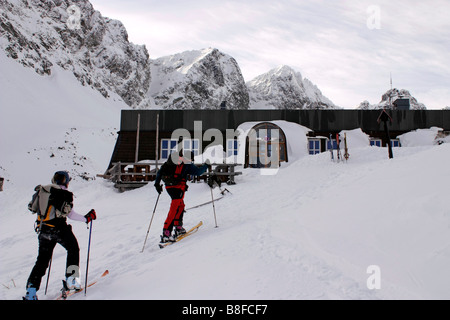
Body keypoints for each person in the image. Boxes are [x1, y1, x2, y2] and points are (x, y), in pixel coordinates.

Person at [23, 171, 97, 300]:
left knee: (42, 260)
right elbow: (70, 214)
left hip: (43, 229)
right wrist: (87, 219)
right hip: (59, 229)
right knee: (73, 249)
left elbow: (32, 208)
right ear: (66, 182)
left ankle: (31, 290)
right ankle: (72, 282)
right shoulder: (64, 194)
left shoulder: (42, 190)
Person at [154, 150, 209, 243]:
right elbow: (198, 172)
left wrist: (157, 184)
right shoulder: (187, 163)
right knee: (174, 208)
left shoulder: (171, 162)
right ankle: (166, 233)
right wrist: (206, 165)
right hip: (178, 188)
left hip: (169, 187)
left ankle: (178, 227)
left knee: (180, 206)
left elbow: (160, 172)